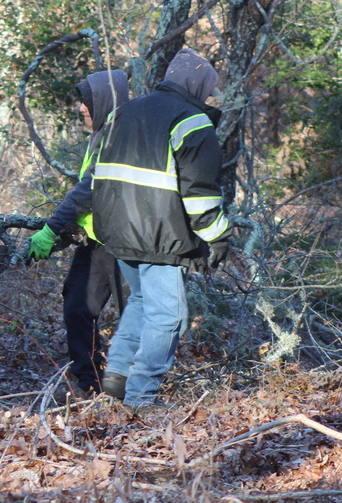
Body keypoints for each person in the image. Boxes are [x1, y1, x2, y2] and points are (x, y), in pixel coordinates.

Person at [89, 49, 232, 408]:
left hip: (115, 230)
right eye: (209, 89)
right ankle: (142, 398)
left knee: (140, 301)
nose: (209, 97)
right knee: (169, 316)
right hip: (158, 235)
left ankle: (117, 376)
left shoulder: (124, 110)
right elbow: (199, 194)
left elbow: (94, 173)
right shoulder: (192, 122)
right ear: (198, 85)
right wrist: (218, 237)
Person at [26, 69, 130, 397]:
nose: (80, 108)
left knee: (134, 314)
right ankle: (88, 383)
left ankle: (134, 391)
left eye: (85, 102)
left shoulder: (119, 135)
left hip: (128, 244)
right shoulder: (102, 133)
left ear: (103, 102)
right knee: (77, 307)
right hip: (99, 242)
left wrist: (50, 229)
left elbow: (88, 190)